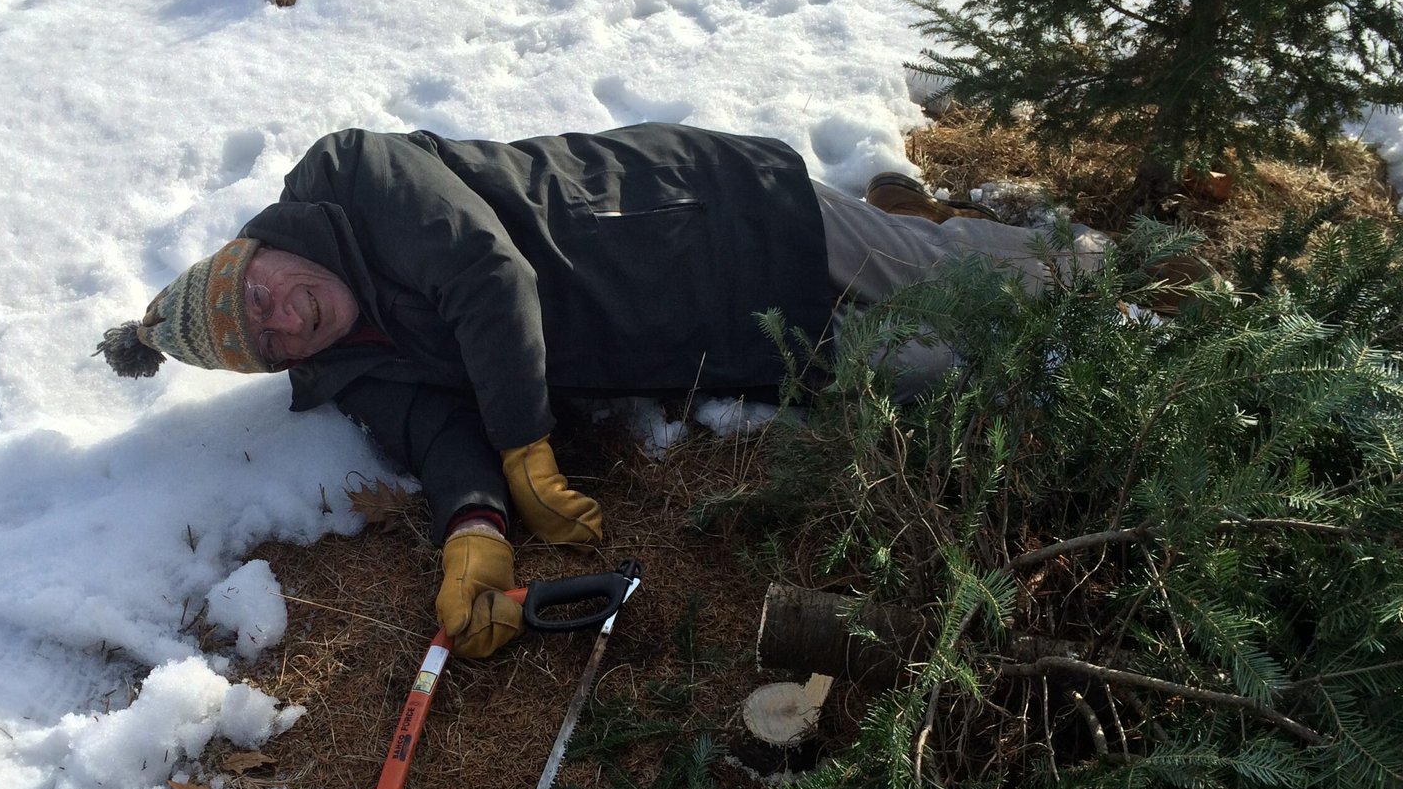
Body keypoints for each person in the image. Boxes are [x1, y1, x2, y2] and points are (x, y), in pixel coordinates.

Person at [97, 123, 1108, 658]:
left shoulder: (357, 176)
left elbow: (486, 274)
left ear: (256, 252)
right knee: (932, 364)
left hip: (717, 216)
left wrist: (525, 442)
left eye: (261, 298)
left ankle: (1120, 270)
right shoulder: (349, 367)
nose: (284, 320)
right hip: (719, 337)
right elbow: (434, 433)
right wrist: (474, 529)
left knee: (958, 283)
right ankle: (1013, 288)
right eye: (265, 344)